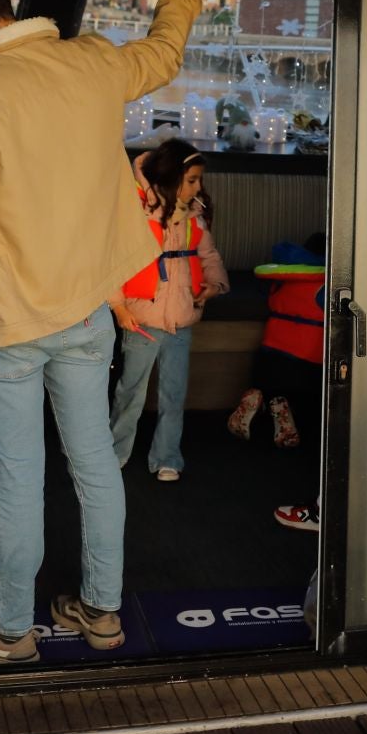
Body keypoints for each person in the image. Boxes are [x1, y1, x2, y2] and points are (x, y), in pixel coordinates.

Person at [0, 0, 204, 667]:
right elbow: (166, 51)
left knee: (17, 479)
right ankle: (101, 611)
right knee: (96, 465)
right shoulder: (95, 61)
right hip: (85, 315)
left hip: (5, 324)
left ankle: (10, 629)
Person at [108, 140, 229, 481]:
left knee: (174, 393)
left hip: (181, 318)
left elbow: (209, 257)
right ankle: (115, 452)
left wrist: (214, 284)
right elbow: (113, 261)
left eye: (198, 180)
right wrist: (117, 306)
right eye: (191, 180)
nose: (197, 187)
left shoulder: (195, 215)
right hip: (142, 318)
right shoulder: (135, 211)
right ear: (172, 177)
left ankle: (167, 456)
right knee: (130, 391)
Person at [228, 234, 326, 450]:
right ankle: (283, 412)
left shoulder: (283, 278)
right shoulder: (325, 285)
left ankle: (261, 397)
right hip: (307, 358)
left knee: (270, 386)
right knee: (309, 399)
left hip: (269, 350)